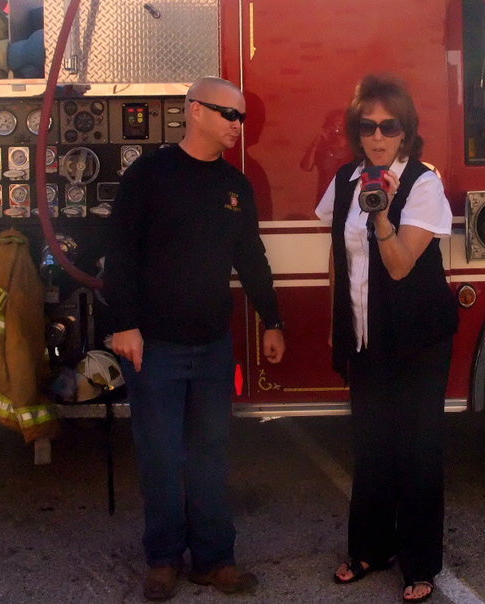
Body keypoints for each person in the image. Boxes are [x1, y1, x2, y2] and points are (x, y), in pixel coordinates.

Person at [103, 76, 286, 602]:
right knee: (160, 455)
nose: (237, 125)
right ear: (194, 112)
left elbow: (251, 258)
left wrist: (272, 321)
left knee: (210, 454)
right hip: (154, 346)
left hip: (211, 346)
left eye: (242, 117)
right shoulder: (150, 175)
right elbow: (121, 252)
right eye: (228, 114)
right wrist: (125, 324)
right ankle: (163, 559)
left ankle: (214, 559)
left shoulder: (235, 187)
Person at [317, 74, 458, 604]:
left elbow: (399, 267)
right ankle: (370, 549)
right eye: (367, 126)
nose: (377, 136)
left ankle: (420, 562)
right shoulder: (345, 180)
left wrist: (379, 215)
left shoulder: (423, 183)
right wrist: (340, 327)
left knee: (417, 449)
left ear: (406, 132)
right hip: (366, 336)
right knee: (371, 446)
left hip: (418, 338)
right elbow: (337, 257)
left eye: (388, 127)